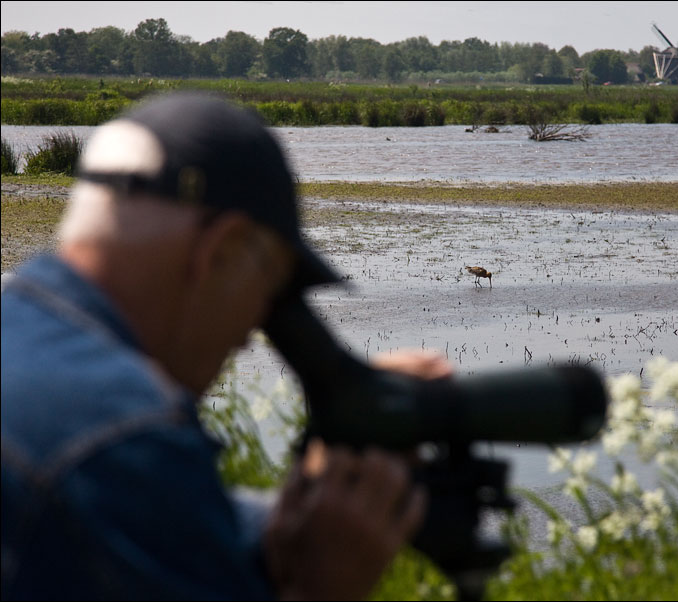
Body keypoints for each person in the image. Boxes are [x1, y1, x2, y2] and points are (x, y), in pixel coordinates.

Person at [1, 92, 452, 600]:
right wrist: (325, 585)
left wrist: (283, 522)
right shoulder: (122, 436)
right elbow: (125, 484)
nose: (250, 332)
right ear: (223, 250)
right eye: (271, 289)